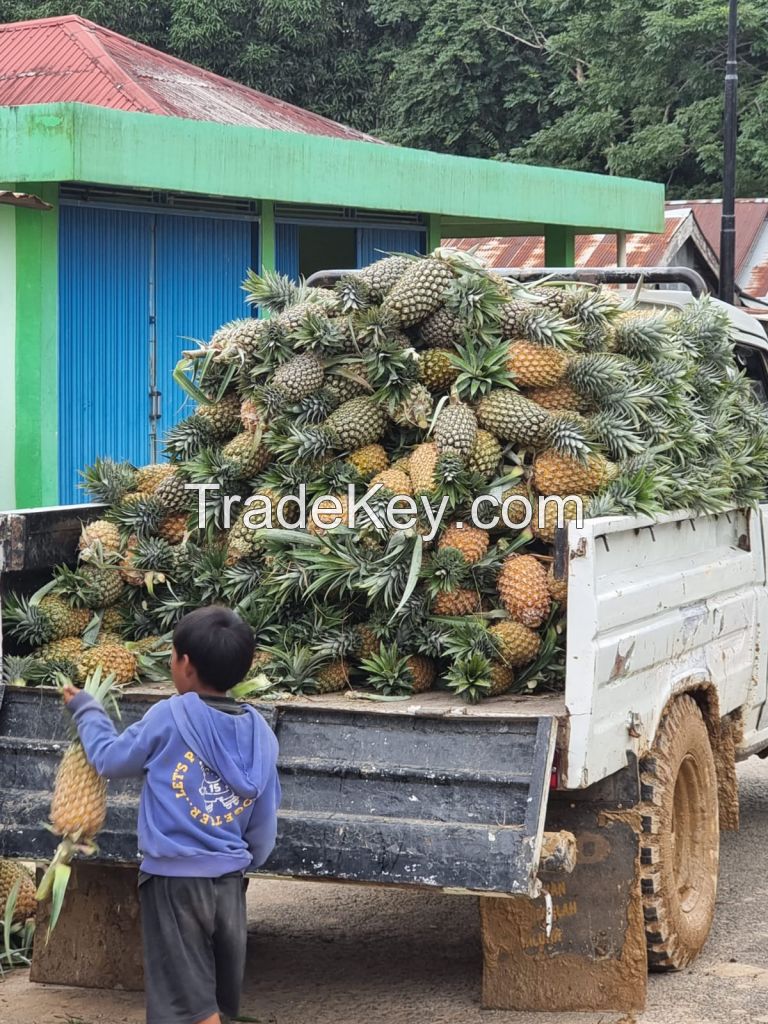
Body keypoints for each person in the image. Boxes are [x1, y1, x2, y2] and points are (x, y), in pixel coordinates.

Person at [63, 605, 281, 1024]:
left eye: (172, 655)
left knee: (189, 1011)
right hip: (230, 887)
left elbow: (111, 760)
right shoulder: (262, 734)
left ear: (185, 665)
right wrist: (238, 862)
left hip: (174, 882)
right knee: (214, 1002)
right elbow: (264, 825)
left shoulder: (169, 716)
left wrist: (88, 710)